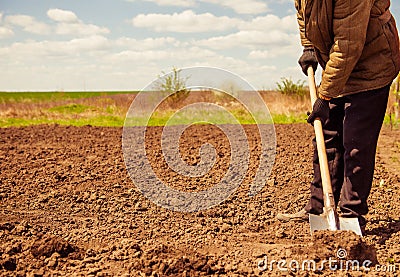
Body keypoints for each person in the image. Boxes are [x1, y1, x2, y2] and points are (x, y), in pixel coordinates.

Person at [276, 0, 400, 228]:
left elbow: (348, 45)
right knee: (327, 135)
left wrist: (324, 97)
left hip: (372, 65)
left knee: (356, 141)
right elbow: (303, 14)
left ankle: (351, 213)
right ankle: (319, 206)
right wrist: (308, 46)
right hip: (339, 63)